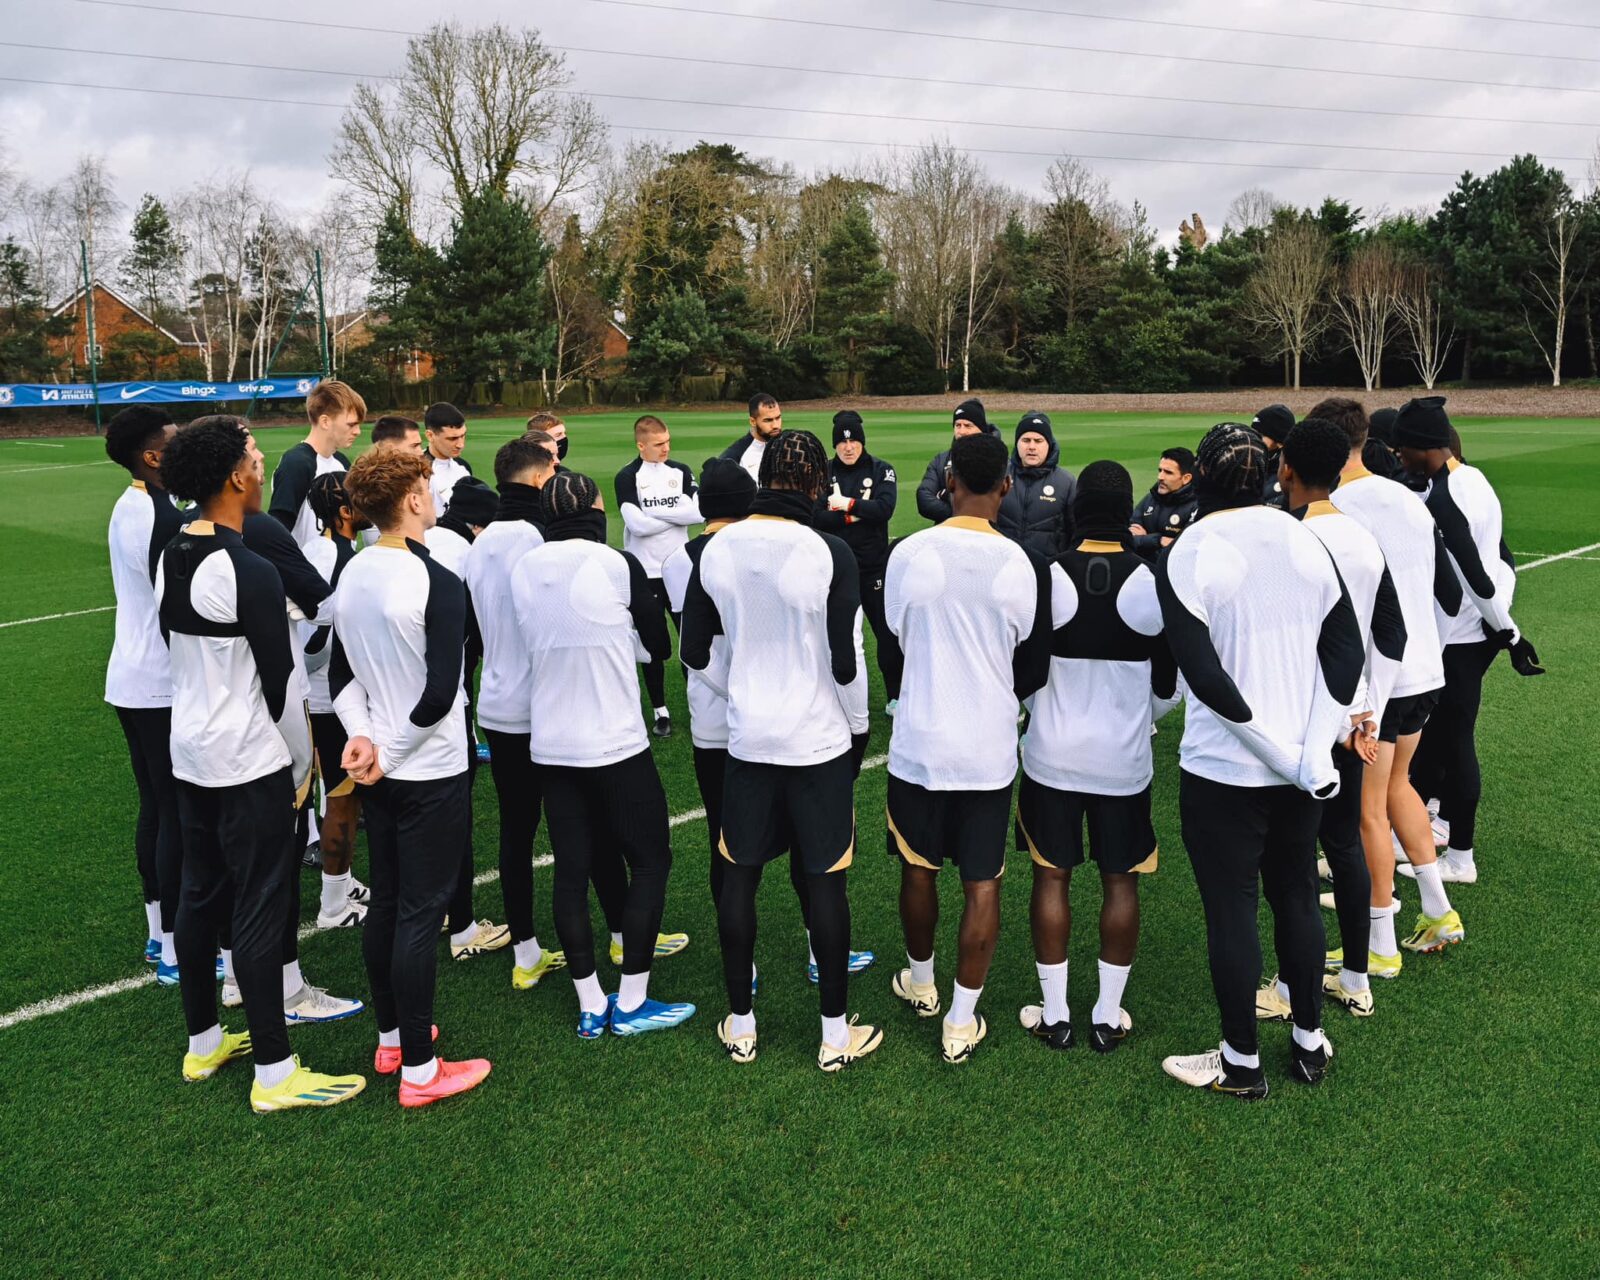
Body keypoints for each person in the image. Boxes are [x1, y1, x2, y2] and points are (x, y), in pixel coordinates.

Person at [155, 415, 365, 1113]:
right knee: (260, 904)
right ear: (235, 478)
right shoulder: (247, 567)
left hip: (191, 750)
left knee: (199, 893)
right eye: (253, 455)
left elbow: (177, 648)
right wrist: (302, 768)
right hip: (247, 759)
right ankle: (275, 1073)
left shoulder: (173, 550)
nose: (262, 461)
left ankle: (204, 1040)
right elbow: (282, 685)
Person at [1156, 423, 1363, 1099]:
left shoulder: (1193, 546)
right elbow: (1346, 651)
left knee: (1233, 908)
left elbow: (1205, 676)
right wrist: (1309, 749)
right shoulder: (1305, 536)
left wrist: (1287, 750)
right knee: (1297, 893)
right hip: (1302, 768)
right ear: (1270, 475)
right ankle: (1309, 1040)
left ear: (1205, 480)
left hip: (1225, 770)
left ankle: (1242, 1061)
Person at [681, 429, 880, 1072]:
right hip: (817, 741)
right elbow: (847, 664)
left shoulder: (715, 549)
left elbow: (694, 651)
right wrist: (858, 732)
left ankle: (741, 1025)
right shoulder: (830, 551)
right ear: (820, 484)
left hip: (747, 740)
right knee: (825, 885)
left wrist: (739, 690)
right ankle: (832, 1035)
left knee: (739, 877)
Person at [332, 447, 493, 1108]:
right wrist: (385, 750)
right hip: (425, 768)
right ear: (413, 502)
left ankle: (394, 1038)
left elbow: (340, 678)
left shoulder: (353, 574)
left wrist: (364, 740)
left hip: (385, 768)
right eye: (425, 486)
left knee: (393, 904)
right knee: (419, 913)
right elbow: (438, 696)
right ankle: (421, 1073)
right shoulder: (438, 580)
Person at [884, 432, 1051, 1065]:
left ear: (949, 482)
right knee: (983, 884)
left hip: (921, 740)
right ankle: (959, 1019)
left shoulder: (908, 552)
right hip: (986, 747)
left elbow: (894, 638)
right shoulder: (1023, 562)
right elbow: (1032, 666)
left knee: (918, 866)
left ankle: (922, 982)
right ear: (1005, 487)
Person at [510, 471, 695, 1038]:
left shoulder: (525, 568)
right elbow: (659, 644)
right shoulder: (617, 564)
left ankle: (592, 1002)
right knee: (649, 861)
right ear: (594, 509)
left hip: (551, 742)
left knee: (572, 869)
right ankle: (633, 998)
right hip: (614, 739)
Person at [1016, 461, 1178, 1054]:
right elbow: (1168, 687)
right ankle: (1107, 1016)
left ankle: (1055, 1014)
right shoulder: (1151, 580)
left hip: (1051, 757)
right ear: (1127, 508)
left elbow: (1025, 674)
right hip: (1124, 760)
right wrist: (1132, 717)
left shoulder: (1047, 575)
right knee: (1120, 881)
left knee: (1051, 876)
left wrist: (1048, 711)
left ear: (1077, 508)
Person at [1256, 417, 1405, 1022]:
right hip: (1354, 714)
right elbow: (1391, 634)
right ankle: (1355, 976)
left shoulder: (1286, 537)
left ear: (1285, 467)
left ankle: (1293, 991)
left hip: (1302, 719)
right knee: (1340, 844)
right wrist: (1370, 710)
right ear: (1344, 464)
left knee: (1291, 862)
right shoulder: (1365, 538)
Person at [1325, 401, 1462, 979]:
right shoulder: (1406, 496)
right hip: (1425, 667)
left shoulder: (1339, 508)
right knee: (1397, 785)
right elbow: (1444, 588)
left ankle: (1379, 944)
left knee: (1366, 810)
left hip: (1383, 675)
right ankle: (1438, 910)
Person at [1395, 396, 1542, 887]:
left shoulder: (1443, 498)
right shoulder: (1473, 479)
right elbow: (1501, 560)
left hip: (1461, 637)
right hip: (1474, 633)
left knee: (1455, 741)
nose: (1398, 457)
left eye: (1402, 450)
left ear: (1424, 448)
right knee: (1439, 738)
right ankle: (1426, 828)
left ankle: (1460, 858)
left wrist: (1510, 632)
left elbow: (1477, 578)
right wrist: (1501, 621)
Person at [465, 435, 566, 990]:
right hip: (543, 703)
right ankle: (616, 938)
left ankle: (525, 950)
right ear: (538, 478)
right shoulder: (536, 536)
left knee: (516, 827)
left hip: (498, 702)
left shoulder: (479, 544)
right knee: (575, 823)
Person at [103, 405, 185, 977]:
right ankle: (178, 948)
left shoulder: (135, 502)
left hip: (130, 678)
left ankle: (159, 933)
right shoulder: (158, 515)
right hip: (159, 683)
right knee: (176, 813)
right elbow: (172, 609)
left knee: (156, 807)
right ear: (154, 457)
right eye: (175, 444)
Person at [423, 476, 511, 962]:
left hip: (389, 703)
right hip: (441, 700)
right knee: (453, 813)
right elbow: (473, 630)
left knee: (416, 816)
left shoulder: (418, 541)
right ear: (480, 525)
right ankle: (462, 928)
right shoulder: (467, 554)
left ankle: (435, 909)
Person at [301, 473, 370, 931]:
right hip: (332, 700)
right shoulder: (340, 559)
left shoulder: (318, 549)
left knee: (345, 796)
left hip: (323, 697)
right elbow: (315, 638)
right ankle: (332, 904)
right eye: (361, 501)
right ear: (345, 512)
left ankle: (342, 884)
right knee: (342, 799)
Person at [615, 415, 701, 739]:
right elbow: (636, 525)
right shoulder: (627, 477)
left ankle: (697, 703)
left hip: (680, 569)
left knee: (689, 639)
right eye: (658, 444)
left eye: (667, 441)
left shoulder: (680, 471)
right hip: (645, 574)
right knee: (652, 647)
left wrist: (654, 513)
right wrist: (675, 515)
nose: (666, 448)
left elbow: (697, 513)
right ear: (641, 445)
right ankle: (660, 711)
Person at [814, 410, 902, 712]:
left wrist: (847, 507)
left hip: (873, 566)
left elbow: (884, 508)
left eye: (853, 442)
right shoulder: (822, 472)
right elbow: (816, 517)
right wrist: (858, 516)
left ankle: (896, 696)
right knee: (835, 636)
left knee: (887, 636)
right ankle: (834, 695)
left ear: (862, 442)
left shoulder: (882, 470)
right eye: (841, 443)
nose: (848, 448)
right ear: (835, 444)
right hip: (835, 571)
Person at [269, 380, 365, 548]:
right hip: (309, 570)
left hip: (339, 570)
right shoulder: (296, 464)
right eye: (351, 424)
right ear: (325, 421)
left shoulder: (342, 463)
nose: (358, 431)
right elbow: (277, 532)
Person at [999, 411, 1077, 559]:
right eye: (1026, 440)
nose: (1032, 447)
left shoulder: (1067, 483)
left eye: (1038, 441)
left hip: (1049, 570)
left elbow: (1075, 533)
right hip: (1005, 567)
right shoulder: (999, 476)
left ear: (1049, 444)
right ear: (1017, 443)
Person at [916, 399, 1002, 523]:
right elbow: (924, 500)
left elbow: (1000, 505)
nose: (961, 432)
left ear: (981, 429)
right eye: (958, 425)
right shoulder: (941, 460)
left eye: (968, 426)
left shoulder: (999, 460)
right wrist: (961, 515)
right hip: (947, 536)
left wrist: (945, 497)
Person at [1129, 447, 1197, 561]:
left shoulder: (1196, 506)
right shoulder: (1151, 497)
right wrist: (1159, 540)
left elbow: (1182, 552)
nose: (1160, 477)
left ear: (1186, 478)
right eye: (1160, 470)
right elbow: (1128, 538)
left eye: (1168, 472)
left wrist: (1144, 540)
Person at [719, 392, 785, 482]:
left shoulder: (788, 447)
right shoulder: (733, 457)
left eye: (778, 418)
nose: (775, 425)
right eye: (768, 420)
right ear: (753, 421)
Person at [423, 402, 473, 517]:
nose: (460, 445)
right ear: (430, 436)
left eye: (463, 435)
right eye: (452, 438)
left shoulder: (463, 466)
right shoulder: (416, 469)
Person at [1251, 403, 1294, 510]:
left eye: (1260, 435)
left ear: (1280, 443)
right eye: (1252, 432)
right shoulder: (1250, 466)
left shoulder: (1285, 481)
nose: (1252, 439)